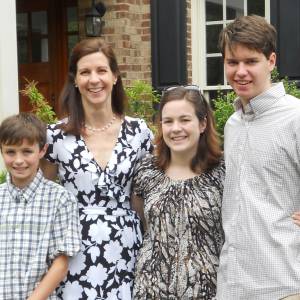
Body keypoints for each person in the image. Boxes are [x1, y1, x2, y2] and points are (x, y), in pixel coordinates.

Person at [41, 38, 153, 299]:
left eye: (101, 70)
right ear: (75, 80)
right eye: (85, 72)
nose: (94, 79)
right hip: (73, 252)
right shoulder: (56, 136)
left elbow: (145, 199)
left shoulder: (139, 132)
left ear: (115, 76)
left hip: (128, 250)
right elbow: (41, 197)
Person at [217, 15, 300, 300]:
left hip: (284, 285)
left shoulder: (296, 118)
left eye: (251, 61)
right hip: (232, 285)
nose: (240, 71)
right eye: (232, 62)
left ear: (271, 61)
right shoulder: (232, 125)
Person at [131, 86, 225, 299]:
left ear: (202, 124)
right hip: (151, 288)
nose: (176, 128)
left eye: (184, 120)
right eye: (168, 121)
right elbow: (140, 219)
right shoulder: (147, 169)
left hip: (208, 289)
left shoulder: (223, 171)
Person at [0, 112, 81, 300]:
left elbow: (60, 264)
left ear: (42, 150)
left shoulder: (61, 199)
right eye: (10, 152)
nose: (18, 160)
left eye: (27, 151)